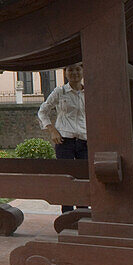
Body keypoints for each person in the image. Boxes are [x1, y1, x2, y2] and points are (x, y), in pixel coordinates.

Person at [37, 63, 86, 213]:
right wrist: (52, 130)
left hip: (85, 141)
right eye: (70, 70)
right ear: (65, 73)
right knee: (66, 179)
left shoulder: (90, 92)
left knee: (83, 179)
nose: (74, 73)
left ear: (83, 71)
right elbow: (42, 112)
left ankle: (83, 212)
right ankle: (67, 214)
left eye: (78, 69)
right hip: (64, 141)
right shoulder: (60, 92)